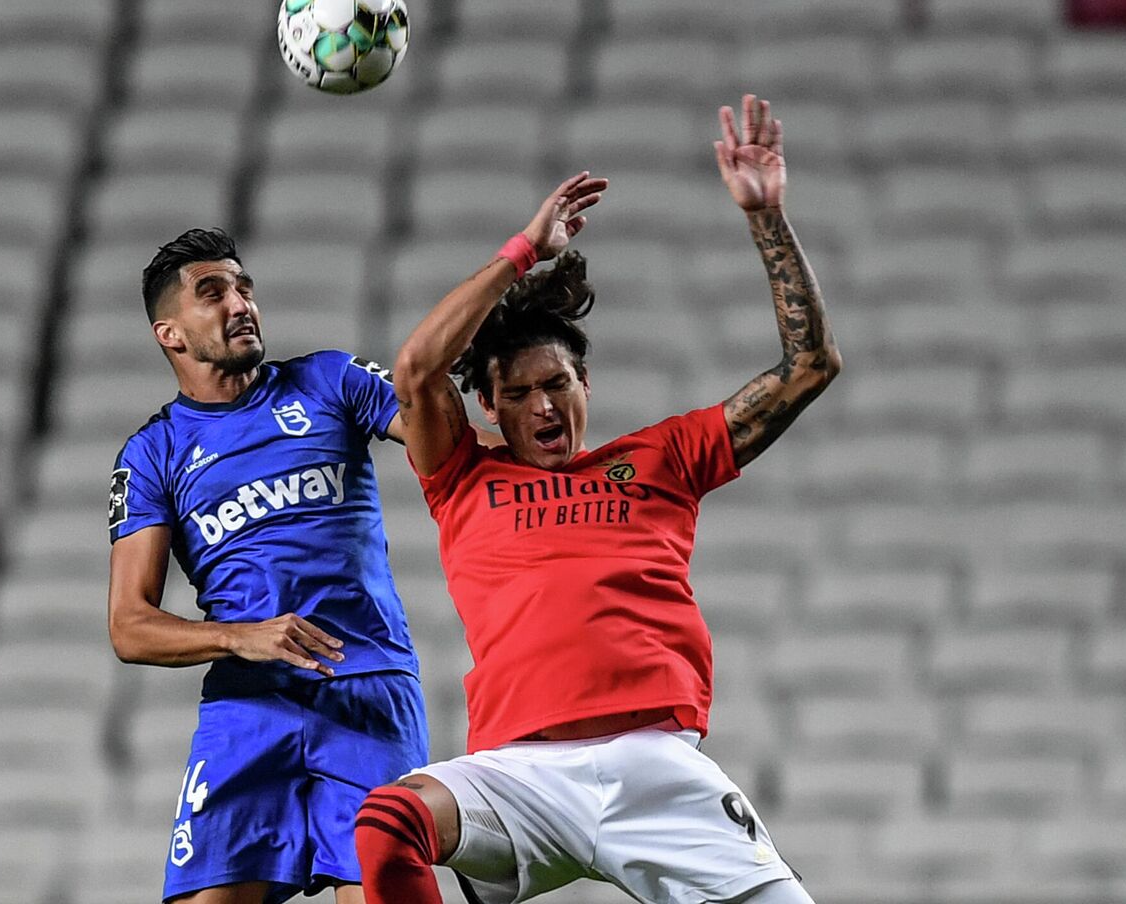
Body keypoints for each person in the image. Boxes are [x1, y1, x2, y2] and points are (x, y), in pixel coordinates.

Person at [356, 96, 841, 904]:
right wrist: (522, 250)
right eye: (521, 393)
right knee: (387, 822)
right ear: (490, 408)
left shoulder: (661, 458)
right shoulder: (461, 477)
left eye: (559, 385)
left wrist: (767, 217)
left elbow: (809, 366)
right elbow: (414, 369)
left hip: (655, 768)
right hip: (521, 774)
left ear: (587, 385)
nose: (544, 407)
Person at [108, 228, 430, 904]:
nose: (240, 303)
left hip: (368, 688)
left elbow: (451, 442)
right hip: (251, 706)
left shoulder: (330, 381)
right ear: (170, 333)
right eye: (213, 292)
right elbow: (129, 626)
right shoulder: (153, 454)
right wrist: (238, 636)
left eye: (244, 287)